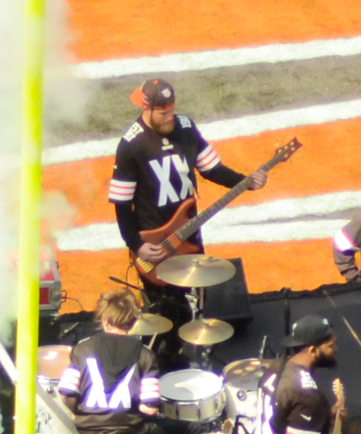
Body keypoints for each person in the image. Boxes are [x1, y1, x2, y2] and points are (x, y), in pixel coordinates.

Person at [110, 78, 266, 305]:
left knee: (198, 300)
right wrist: (136, 244)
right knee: (166, 309)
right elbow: (122, 204)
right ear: (146, 108)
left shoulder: (185, 128)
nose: (169, 118)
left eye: (171, 111)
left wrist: (246, 181)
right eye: (162, 114)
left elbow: (212, 169)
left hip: (189, 233)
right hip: (156, 243)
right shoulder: (131, 145)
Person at [55, 288, 184, 434]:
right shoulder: (145, 355)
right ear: (132, 323)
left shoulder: (82, 349)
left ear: (106, 322)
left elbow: (66, 393)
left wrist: (80, 414)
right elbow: (150, 408)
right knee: (191, 428)